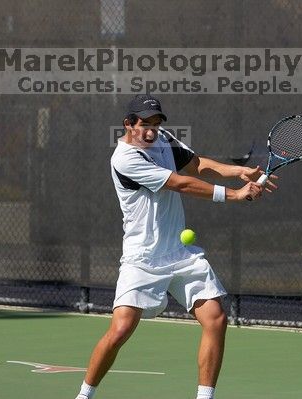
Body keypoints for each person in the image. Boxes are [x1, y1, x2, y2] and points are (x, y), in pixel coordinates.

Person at [75, 94, 277, 399]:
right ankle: (84, 396)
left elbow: (196, 166)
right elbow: (179, 183)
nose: (151, 131)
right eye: (144, 124)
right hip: (142, 258)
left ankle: (204, 397)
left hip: (181, 256)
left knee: (215, 318)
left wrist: (238, 172)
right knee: (120, 331)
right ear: (128, 124)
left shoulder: (164, 140)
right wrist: (235, 195)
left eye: (156, 124)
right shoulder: (125, 158)